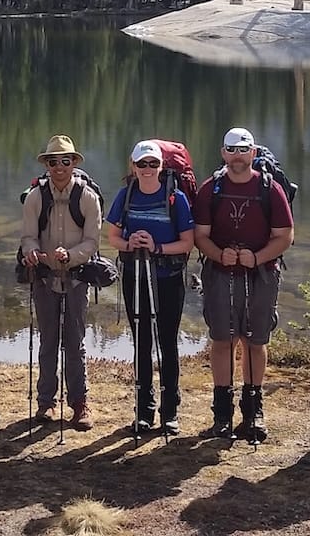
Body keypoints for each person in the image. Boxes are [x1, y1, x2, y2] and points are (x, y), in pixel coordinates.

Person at [193, 127, 294, 442]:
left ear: (253, 153)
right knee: (222, 340)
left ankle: (253, 413)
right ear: (223, 153)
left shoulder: (270, 189)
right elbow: (200, 236)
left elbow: (285, 236)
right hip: (220, 274)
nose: (237, 157)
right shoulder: (211, 189)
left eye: (243, 150)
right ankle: (222, 416)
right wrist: (218, 255)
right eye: (231, 150)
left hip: (260, 275)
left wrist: (258, 257)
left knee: (254, 341)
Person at [105, 140, 196, 436]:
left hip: (168, 278)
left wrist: (156, 247)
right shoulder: (126, 195)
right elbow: (113, 237)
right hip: (135, 275)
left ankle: (169, 412)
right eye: (142, 164)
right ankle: (143, 411)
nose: (147, 169)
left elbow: (187, 243)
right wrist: (130, 244)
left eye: (153, 164)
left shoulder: (176, 198)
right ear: (133, 166)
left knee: (167, 343)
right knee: (141, 342)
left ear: (161, 166)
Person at [19, 135, 101, 431]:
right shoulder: (35, 197)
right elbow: (28, 236)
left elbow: (92, 242)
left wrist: (72, 256)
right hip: (44, 278)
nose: (59, 167)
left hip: (77, 279)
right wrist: (31, 253)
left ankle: (79, 405)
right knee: (48, 341)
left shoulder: (88, 198)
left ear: (74, 163)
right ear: (48, 165)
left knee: (75, 342)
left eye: (65, 161)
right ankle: (47, 402)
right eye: (53, 162)